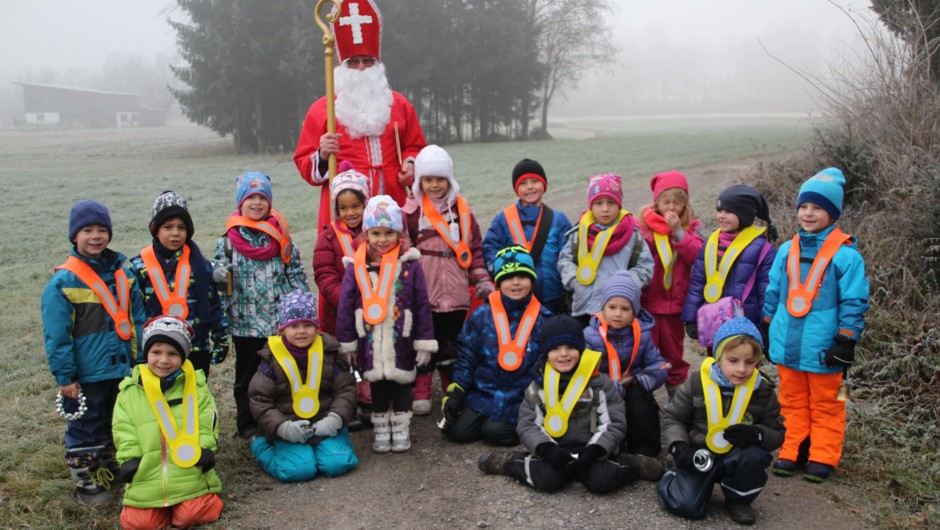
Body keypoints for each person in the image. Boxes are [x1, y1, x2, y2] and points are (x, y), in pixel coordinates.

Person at [762, 168, 869, 483]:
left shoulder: (847, 257)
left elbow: (855, 302)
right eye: (804, 206)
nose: (808, 213)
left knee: (828, 404)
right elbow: (772, 290)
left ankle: (822, 456)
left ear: (833, 213)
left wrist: (846, 341)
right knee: (791, 400)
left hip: (825, 348)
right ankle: (791, 450)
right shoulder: (786, 249)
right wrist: (768, 327)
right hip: (787, 343)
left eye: (818, 207)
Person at [477, 315, 663, 493]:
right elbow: (528, 425)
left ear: (581, 349)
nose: (563, 354)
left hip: (593, 450)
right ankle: (508, 462)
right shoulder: (537, 384)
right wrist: (547, 449)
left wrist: (596, 449)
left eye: (570, 347)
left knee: (600, 481)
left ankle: (637, 464)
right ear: (546, 352)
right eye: (556, 348)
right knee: (548, 480)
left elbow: (614, 423)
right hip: (555, 450)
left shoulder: (599, 382)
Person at [41, 199, 147, 506]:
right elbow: (57, 336)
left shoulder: (124, 275)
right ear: (75, 236)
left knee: (118, 419)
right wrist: (65, 376)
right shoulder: (63, 282)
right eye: (87, 230)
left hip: (123, 368)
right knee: (86, 423)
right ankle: (84, 478)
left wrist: (141, 361)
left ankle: (107, 465)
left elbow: (138, 322)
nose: (96, 236)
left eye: (102, 229)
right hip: (87, 372)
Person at [293, 0, 427, 232]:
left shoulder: (400, 104)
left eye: (368, 61)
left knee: (394, 265)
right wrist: (322, 156)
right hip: (346, 209)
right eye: (353, 62)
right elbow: (305, 164)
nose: (362, 68)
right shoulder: (322, 110)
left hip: (393, 202)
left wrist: (411, 163)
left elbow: (415, 145)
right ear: (342, 66)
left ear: (378, 63)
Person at [658, 317, 785, 525]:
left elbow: (777, 432)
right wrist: (678, 447)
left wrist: (756, 434)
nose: (742, 369)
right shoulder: (697, 383)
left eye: (750, 362)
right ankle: (673, 476)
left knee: (754, 455)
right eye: (733, 361)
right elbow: (674, 417)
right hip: (700, 452)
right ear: (718, 357)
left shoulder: (763, 392)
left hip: (736, 455)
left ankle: (739, 498)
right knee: (686, 506)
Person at [336, 195, 437, 453]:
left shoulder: (410, 265)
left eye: (389, 233)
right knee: (377, 384)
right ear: (366, 234)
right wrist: (347, 343)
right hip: (368, 339)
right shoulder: (356, 266)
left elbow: (422, 304)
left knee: (402, 383)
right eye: (376, 233)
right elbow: (345, 306)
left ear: (399, 234)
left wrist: (424, 342)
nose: (382, 239)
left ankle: (401, 427)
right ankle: (381, 428)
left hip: (400, 337)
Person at [211, 172, 309, 438]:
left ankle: (280, 418)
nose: (256, 203)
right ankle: (248, 424)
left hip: (279, 325)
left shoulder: (282, 237)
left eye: (262, 197)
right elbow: (217, 273)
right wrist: (217, 275)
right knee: (246, 377)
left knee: (280, 374)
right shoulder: (228, 242)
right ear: (240, 203)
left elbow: (295, 274)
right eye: (250, 197)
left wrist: (304, 306)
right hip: (244, 324)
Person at [404, 145, 494, 415]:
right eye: (428, 179)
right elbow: (401, 251)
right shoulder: (410, 212)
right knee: (422, 338)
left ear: (449, 180)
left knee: (451, 340)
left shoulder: (463, 212)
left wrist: (481, 279)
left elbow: (474, 248)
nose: (434, 185)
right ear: (420, 180)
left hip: (455, 289)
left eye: (439, 179)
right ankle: (421, 385)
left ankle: (449, 384)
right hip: (424, 288)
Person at [112, 315, 223, 529]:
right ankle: (157, 508)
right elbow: (123, 428)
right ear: (146, 354)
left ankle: (188, 503)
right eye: (156, 352)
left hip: (189, 470)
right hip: (147, 472)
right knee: (139, 524)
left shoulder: (196, 386)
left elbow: (208, 419)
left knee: (191, 516)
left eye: (173, 354)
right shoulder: (130, 391)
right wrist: (129, 460)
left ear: (183, 356)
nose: (163, 360)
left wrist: (205, 448)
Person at [442, 245, 550, 446]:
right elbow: (467, 355)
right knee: (457, 432)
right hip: (483, 392)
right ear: (499, 283)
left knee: (496, 434)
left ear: (532, 280)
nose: (515, 283)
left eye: (522, 276)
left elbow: (546, 366)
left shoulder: (543, 319)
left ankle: (512, 423)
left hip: (519, 397)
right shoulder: (482, 315)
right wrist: (458, 389)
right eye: (508, 278)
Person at [248, 290, 358, 482]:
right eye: (294, 326)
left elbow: (345, 390)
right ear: (282, 330)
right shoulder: (271, 360)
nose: (301, 331)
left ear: (317, 327)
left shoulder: (329, 352)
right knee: (299, 471)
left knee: (338, 464)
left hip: (325, 424)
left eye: (308, 325)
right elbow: (259, 399)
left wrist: (335, 419)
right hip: (288, 427)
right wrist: (282, 427)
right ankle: (260, 446)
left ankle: (325, 446)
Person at [130, 191, 229, 377]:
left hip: (196, 347)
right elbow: (135, 313)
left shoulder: (200, 264)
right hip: (157, 352)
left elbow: (213, 303)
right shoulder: (139, 266)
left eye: (181, 227)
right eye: (168, 227)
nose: (175, 233)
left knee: (193, 399)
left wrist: (220, 336)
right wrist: (137, 352)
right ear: (155, 229)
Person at [584, 271, 669, 457]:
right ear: (602, 308)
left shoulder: (643, 333)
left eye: (625, 309)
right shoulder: (590, 336)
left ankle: (644, 449)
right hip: (602, 391)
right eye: (612, 307)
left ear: (635, 311)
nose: (617, 314)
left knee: (641, 398)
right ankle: (604, 445)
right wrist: (607, 383)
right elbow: (584, 373)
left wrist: (651, 377)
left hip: (631, 386)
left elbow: (659, 365)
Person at [311, 163, 373, 419]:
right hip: (338, 314)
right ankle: (346, 406)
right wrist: (346, 301)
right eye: (344, 207)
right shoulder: (328, 237)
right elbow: (324, 275)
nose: (350, 212)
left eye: (356, 206)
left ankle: (368, 399)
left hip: (372, 311)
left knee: (368, 353)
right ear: (336, 209)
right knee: (342, 360)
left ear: (365, 204)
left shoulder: (375, 234)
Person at [682, 184, 777, 346]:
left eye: (729, 212)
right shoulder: (711, 243)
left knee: (742, 367)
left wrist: (766, 324)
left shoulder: (762, 248)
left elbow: (766, 289)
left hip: (747, 323)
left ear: (745, 214)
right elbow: (698, 282)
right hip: (713, 321)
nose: (722, 216)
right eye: (719, 211)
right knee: (715, 364)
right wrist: (690, 318)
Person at [558, 173, 654, 326]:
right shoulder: (578, 234)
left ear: (619, 205)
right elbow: (565, 260)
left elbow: (645, 267)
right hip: (584, 308)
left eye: (611, 203)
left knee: (616, 349)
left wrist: (626, 285)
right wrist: (575, 281)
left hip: (619, 312)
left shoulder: (632, 235)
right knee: (587, 349)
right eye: (599, 203)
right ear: (591, 205)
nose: (605, 209)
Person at [638, 171, 703, 393]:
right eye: (666, 202)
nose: (672, 207)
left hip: (676, 302)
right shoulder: (644, 226)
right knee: (645, 348)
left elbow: (697, 256)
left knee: (673, 351)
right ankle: (643, 391)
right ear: (657, 202)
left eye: (678, 202)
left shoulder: (691, 228)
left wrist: (677, 233)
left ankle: (675, 390)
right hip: (649, 300)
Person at [483, 158, 573, 314]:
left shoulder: (559, 219)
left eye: (535, 181)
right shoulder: (503, 219)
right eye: (523, 183)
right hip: (515, 299)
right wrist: (502, 273)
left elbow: (569, 254)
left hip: (552, 298)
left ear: (544, 185)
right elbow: (489, 248)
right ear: (516, 189)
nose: (530, 187)